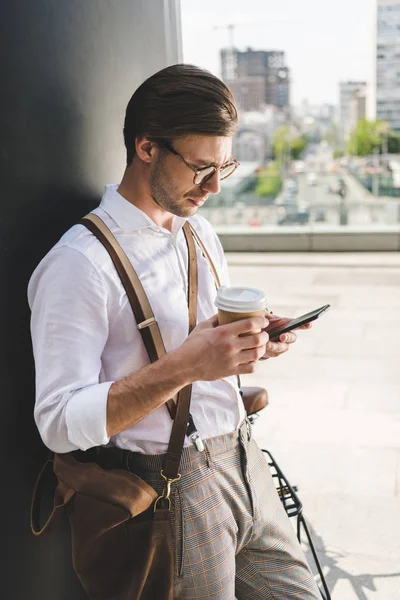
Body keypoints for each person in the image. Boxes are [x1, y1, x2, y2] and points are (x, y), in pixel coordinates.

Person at [28, 64, 321, 599]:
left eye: (223, 167)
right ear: (146, 148)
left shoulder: (199, 230)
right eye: (199, 168)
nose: (212, 187)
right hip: (169, 489)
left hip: (244, 459)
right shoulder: (80, 264)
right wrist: (188, 364)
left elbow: (204, 348)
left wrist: (252, 338)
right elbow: (58, 423)